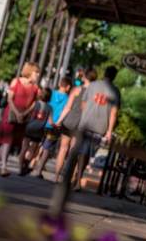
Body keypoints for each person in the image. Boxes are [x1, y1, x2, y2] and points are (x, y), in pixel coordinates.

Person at [49, 66, 120, 217]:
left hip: (85, 122)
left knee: (74, 150)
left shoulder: (93, 86)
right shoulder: (115, 92)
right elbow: (113, 113)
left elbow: (83, 103)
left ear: (105, 73)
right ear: (114, 76)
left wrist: (87, 114)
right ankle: (77, 179)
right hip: (99, 127)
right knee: (86, 153)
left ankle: (66, 178)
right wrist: (108, 130)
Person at [0, 62, 40, 177]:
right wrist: (17, 112)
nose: (38, 75)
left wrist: (25, 113)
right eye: (36, 72)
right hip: (11, 114)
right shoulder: (16, 81)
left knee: (9, 141)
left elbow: (34, 103)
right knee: (7, 140)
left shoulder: (35, 87)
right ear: (30, 71)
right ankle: (3, 166)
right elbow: (9, 99)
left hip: (23, 116)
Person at [52, 68, 96, 184]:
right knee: (73, 151)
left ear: (85, 77)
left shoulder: (76, 90)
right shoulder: (94, 95)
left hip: (69, 122)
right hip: (81, 125)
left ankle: (56, 176)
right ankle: (68, 179)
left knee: (63, 148)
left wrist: (59, 120)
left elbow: (67, 107)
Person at [30, 77, 72, 179]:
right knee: (47, 148)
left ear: (59, 84)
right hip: (55, 126)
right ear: (68, 87)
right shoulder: (67, 99)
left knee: (38, 143)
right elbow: (66, 111)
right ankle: (39, 169)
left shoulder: (51, 93)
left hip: (43, 122)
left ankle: (31, 163)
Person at [19, 87, 52, 175]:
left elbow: (27, 112)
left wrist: (21, 115)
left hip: (30, 127)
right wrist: (56, 125)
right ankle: (26, 164)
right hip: (39, 130)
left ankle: (20, 167)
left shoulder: (35, 103)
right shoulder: (50, 108)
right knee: (33, 149)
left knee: (24, 147)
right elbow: (50, 121)